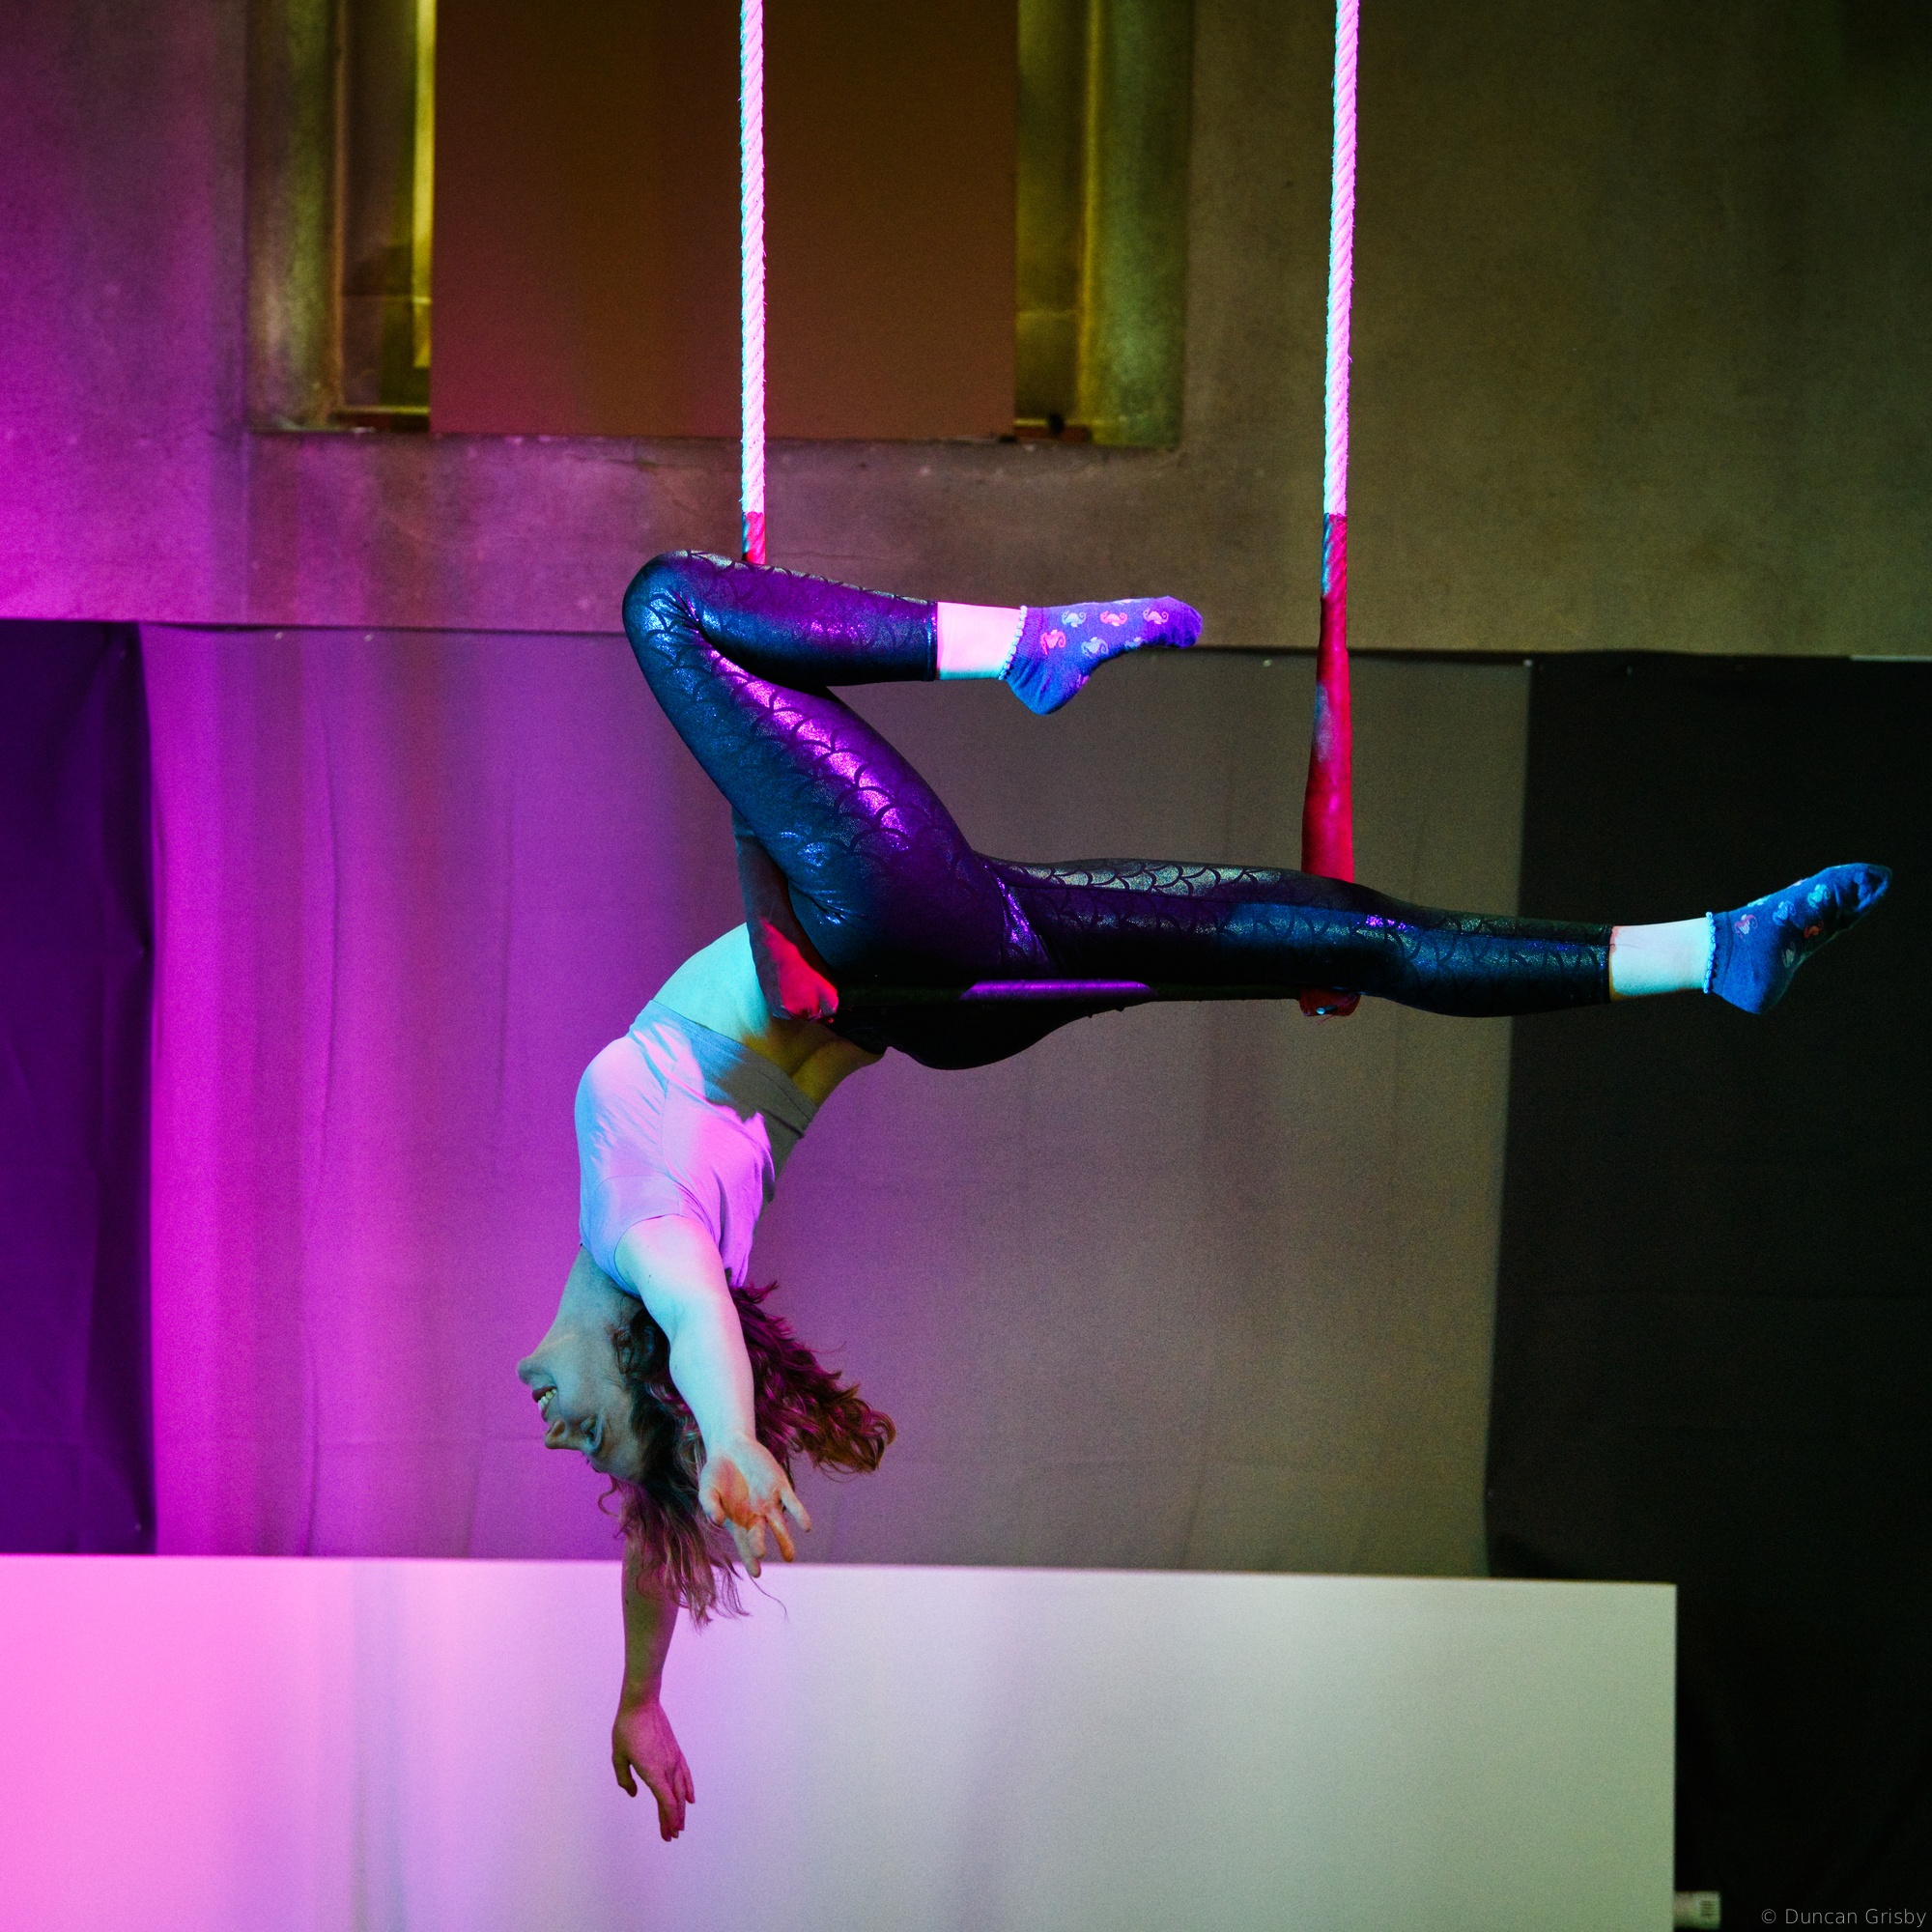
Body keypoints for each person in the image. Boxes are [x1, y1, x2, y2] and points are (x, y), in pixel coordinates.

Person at [515, 551, 1889, 1838]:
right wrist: (732, 1435)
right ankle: (1026, 644)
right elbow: (697, 1323)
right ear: (637, 1364)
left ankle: (1708, 953)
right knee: (665, 605)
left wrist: (642, 1693)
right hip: (876, 925)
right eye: (595, 1437)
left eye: (591, 1449)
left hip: (956, 976)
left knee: (1352, 933)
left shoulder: (649, 1252)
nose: (560, 1433)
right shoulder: (646, 1238)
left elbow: (655, 1528)